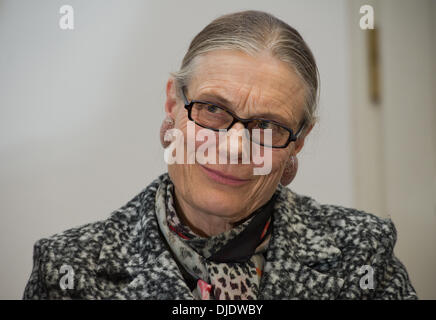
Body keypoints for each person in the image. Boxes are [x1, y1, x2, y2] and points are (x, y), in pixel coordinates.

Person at [23, 10, 417, 300]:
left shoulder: (363, 254)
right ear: (172, 104)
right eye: (213, 109)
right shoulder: (68, 269)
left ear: (298, 141)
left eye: (266, 126)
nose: (233, 148)